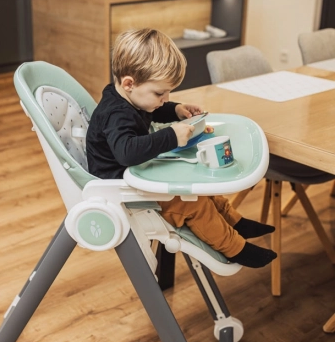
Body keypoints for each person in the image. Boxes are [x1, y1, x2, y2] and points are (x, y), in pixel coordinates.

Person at [86, 28, 277, 268]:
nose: (164, 98)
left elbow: (149, 107)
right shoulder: (116, 114)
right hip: (121, 188)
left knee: (204, 191)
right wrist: (171, 136)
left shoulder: (129, 96)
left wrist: (176, 110)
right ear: (129, 83)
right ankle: (236, 249)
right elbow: (127, 151)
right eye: (160, 93)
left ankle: (236, 222)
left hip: (136, 173)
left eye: (168, 93)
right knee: (192, 203)